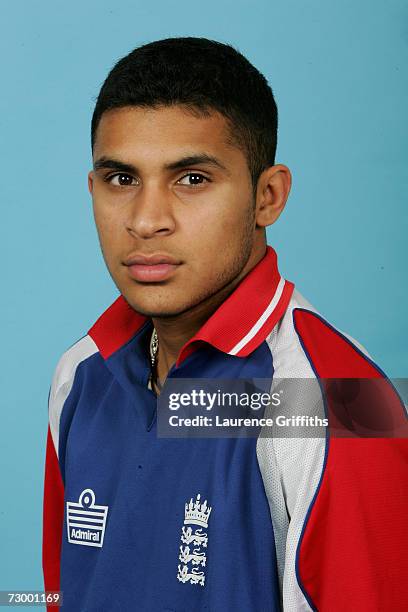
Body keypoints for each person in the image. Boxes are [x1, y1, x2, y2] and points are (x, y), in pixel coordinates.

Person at [42, 37, 407, 611]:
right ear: (92, 189)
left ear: (268, 196)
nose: (145, 220)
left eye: (191, 179)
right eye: (121, 179)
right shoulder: (79, 374)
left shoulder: (343, 404)